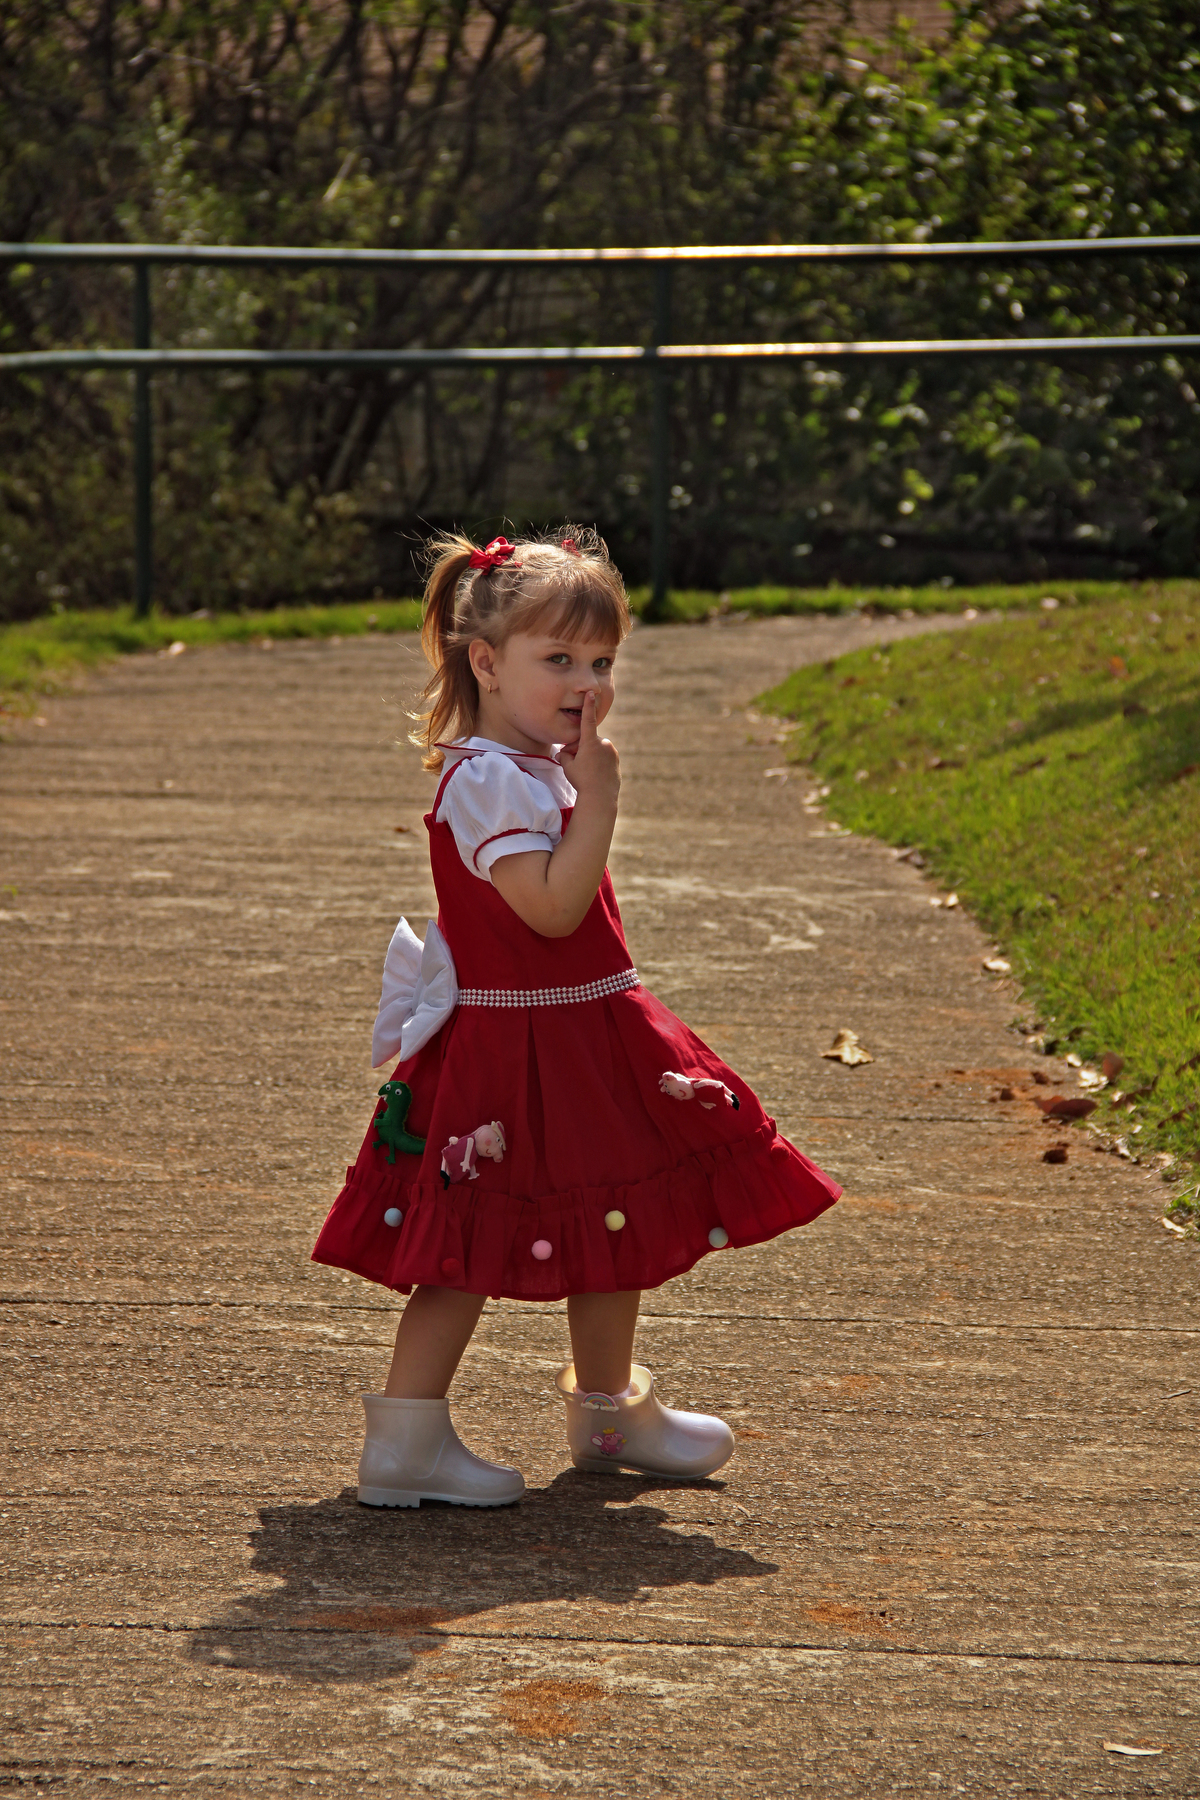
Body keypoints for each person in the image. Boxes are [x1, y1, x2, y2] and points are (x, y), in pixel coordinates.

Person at [312, 527, 841, 1508]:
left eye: (601, 663)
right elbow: (551, 909)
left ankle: (608, 1415)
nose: (585, 683)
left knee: (615, 1216)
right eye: (557, 660)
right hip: (510, 1048)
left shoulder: (533, 767)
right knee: (465, 1243)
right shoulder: (485, 780)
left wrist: (580, 791)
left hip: (583, 1034)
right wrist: (599, 805)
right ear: (485, 661)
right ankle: (405, 1443)